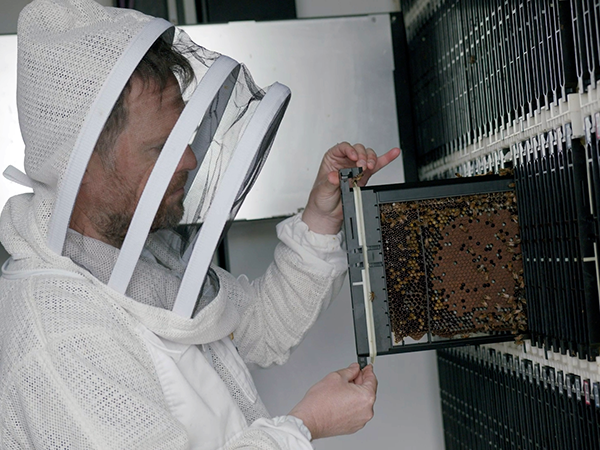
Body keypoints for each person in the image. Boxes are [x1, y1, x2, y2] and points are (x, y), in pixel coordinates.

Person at [0, 0, 401, 449]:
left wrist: (323, 214)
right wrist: (303, 425)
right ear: (83, 166)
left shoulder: (133, 257)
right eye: (160, 148)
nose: (189, 159)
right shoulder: (59, 338)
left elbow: (262, 328)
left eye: (185, 138)